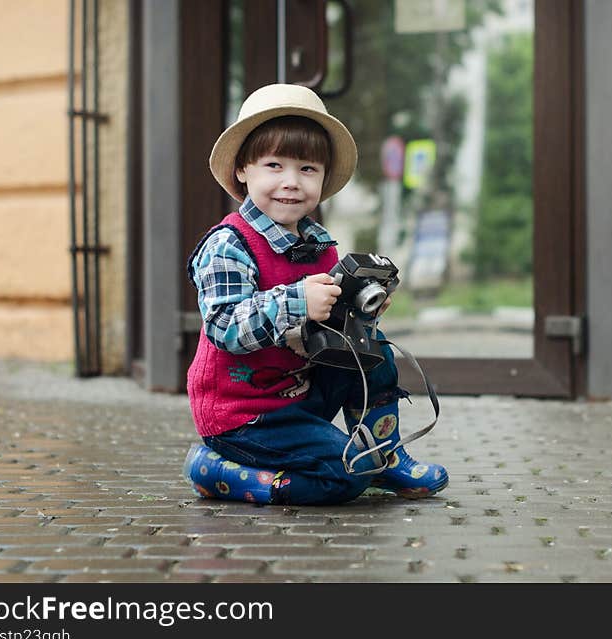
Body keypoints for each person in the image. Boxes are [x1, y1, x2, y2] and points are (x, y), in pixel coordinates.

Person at [181, 83, 448, 506]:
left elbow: (327, 332)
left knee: (373, 348)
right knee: (344, 478)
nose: (291, 182)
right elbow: (223, 327)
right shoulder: (230, 244)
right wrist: (296, 300)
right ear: (242, 170)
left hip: (300, 396)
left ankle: (384, 451)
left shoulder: (322, 248)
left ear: (323, 179)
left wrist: (360, 310)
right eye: (274, 165)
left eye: (307, 169)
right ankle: (218, 471)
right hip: (244, 414)